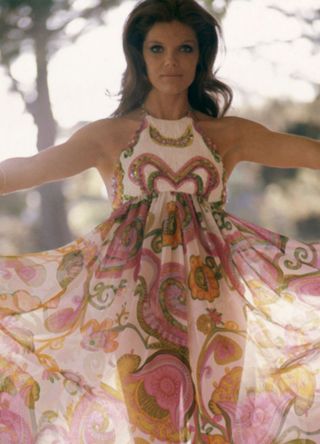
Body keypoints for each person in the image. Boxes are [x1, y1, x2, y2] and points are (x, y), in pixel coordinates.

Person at [0, 0, 319, 442]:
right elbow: (24, 170)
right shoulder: (107, 136)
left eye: (185, 49)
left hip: (218, 303)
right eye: (157, 49)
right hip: (135, 306)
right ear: (139, 55)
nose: (171, 61)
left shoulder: (228, 135)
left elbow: (312, 154)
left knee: (217, 430)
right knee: (155, 430)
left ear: (201, 56)